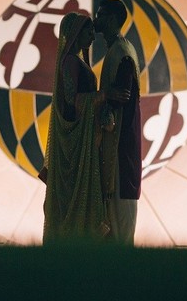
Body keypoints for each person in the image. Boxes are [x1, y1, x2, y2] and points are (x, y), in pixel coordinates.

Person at [41, 12, 128, 243]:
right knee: (74, 195)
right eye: (88, 31)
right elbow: (72, 99)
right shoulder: (70, 61)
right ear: (76, 34)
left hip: (86, 137)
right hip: (76, 141)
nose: (93, 36)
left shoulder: (76, 60)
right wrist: (105, 95)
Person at [94, 0, 142, 245]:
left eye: (100, 15)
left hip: (120, 148)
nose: (96, 19)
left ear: (112, 20)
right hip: (118, 146)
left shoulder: (121, 53)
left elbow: (121, 97)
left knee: (119, 225)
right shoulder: (119, 49)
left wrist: (103, 109)